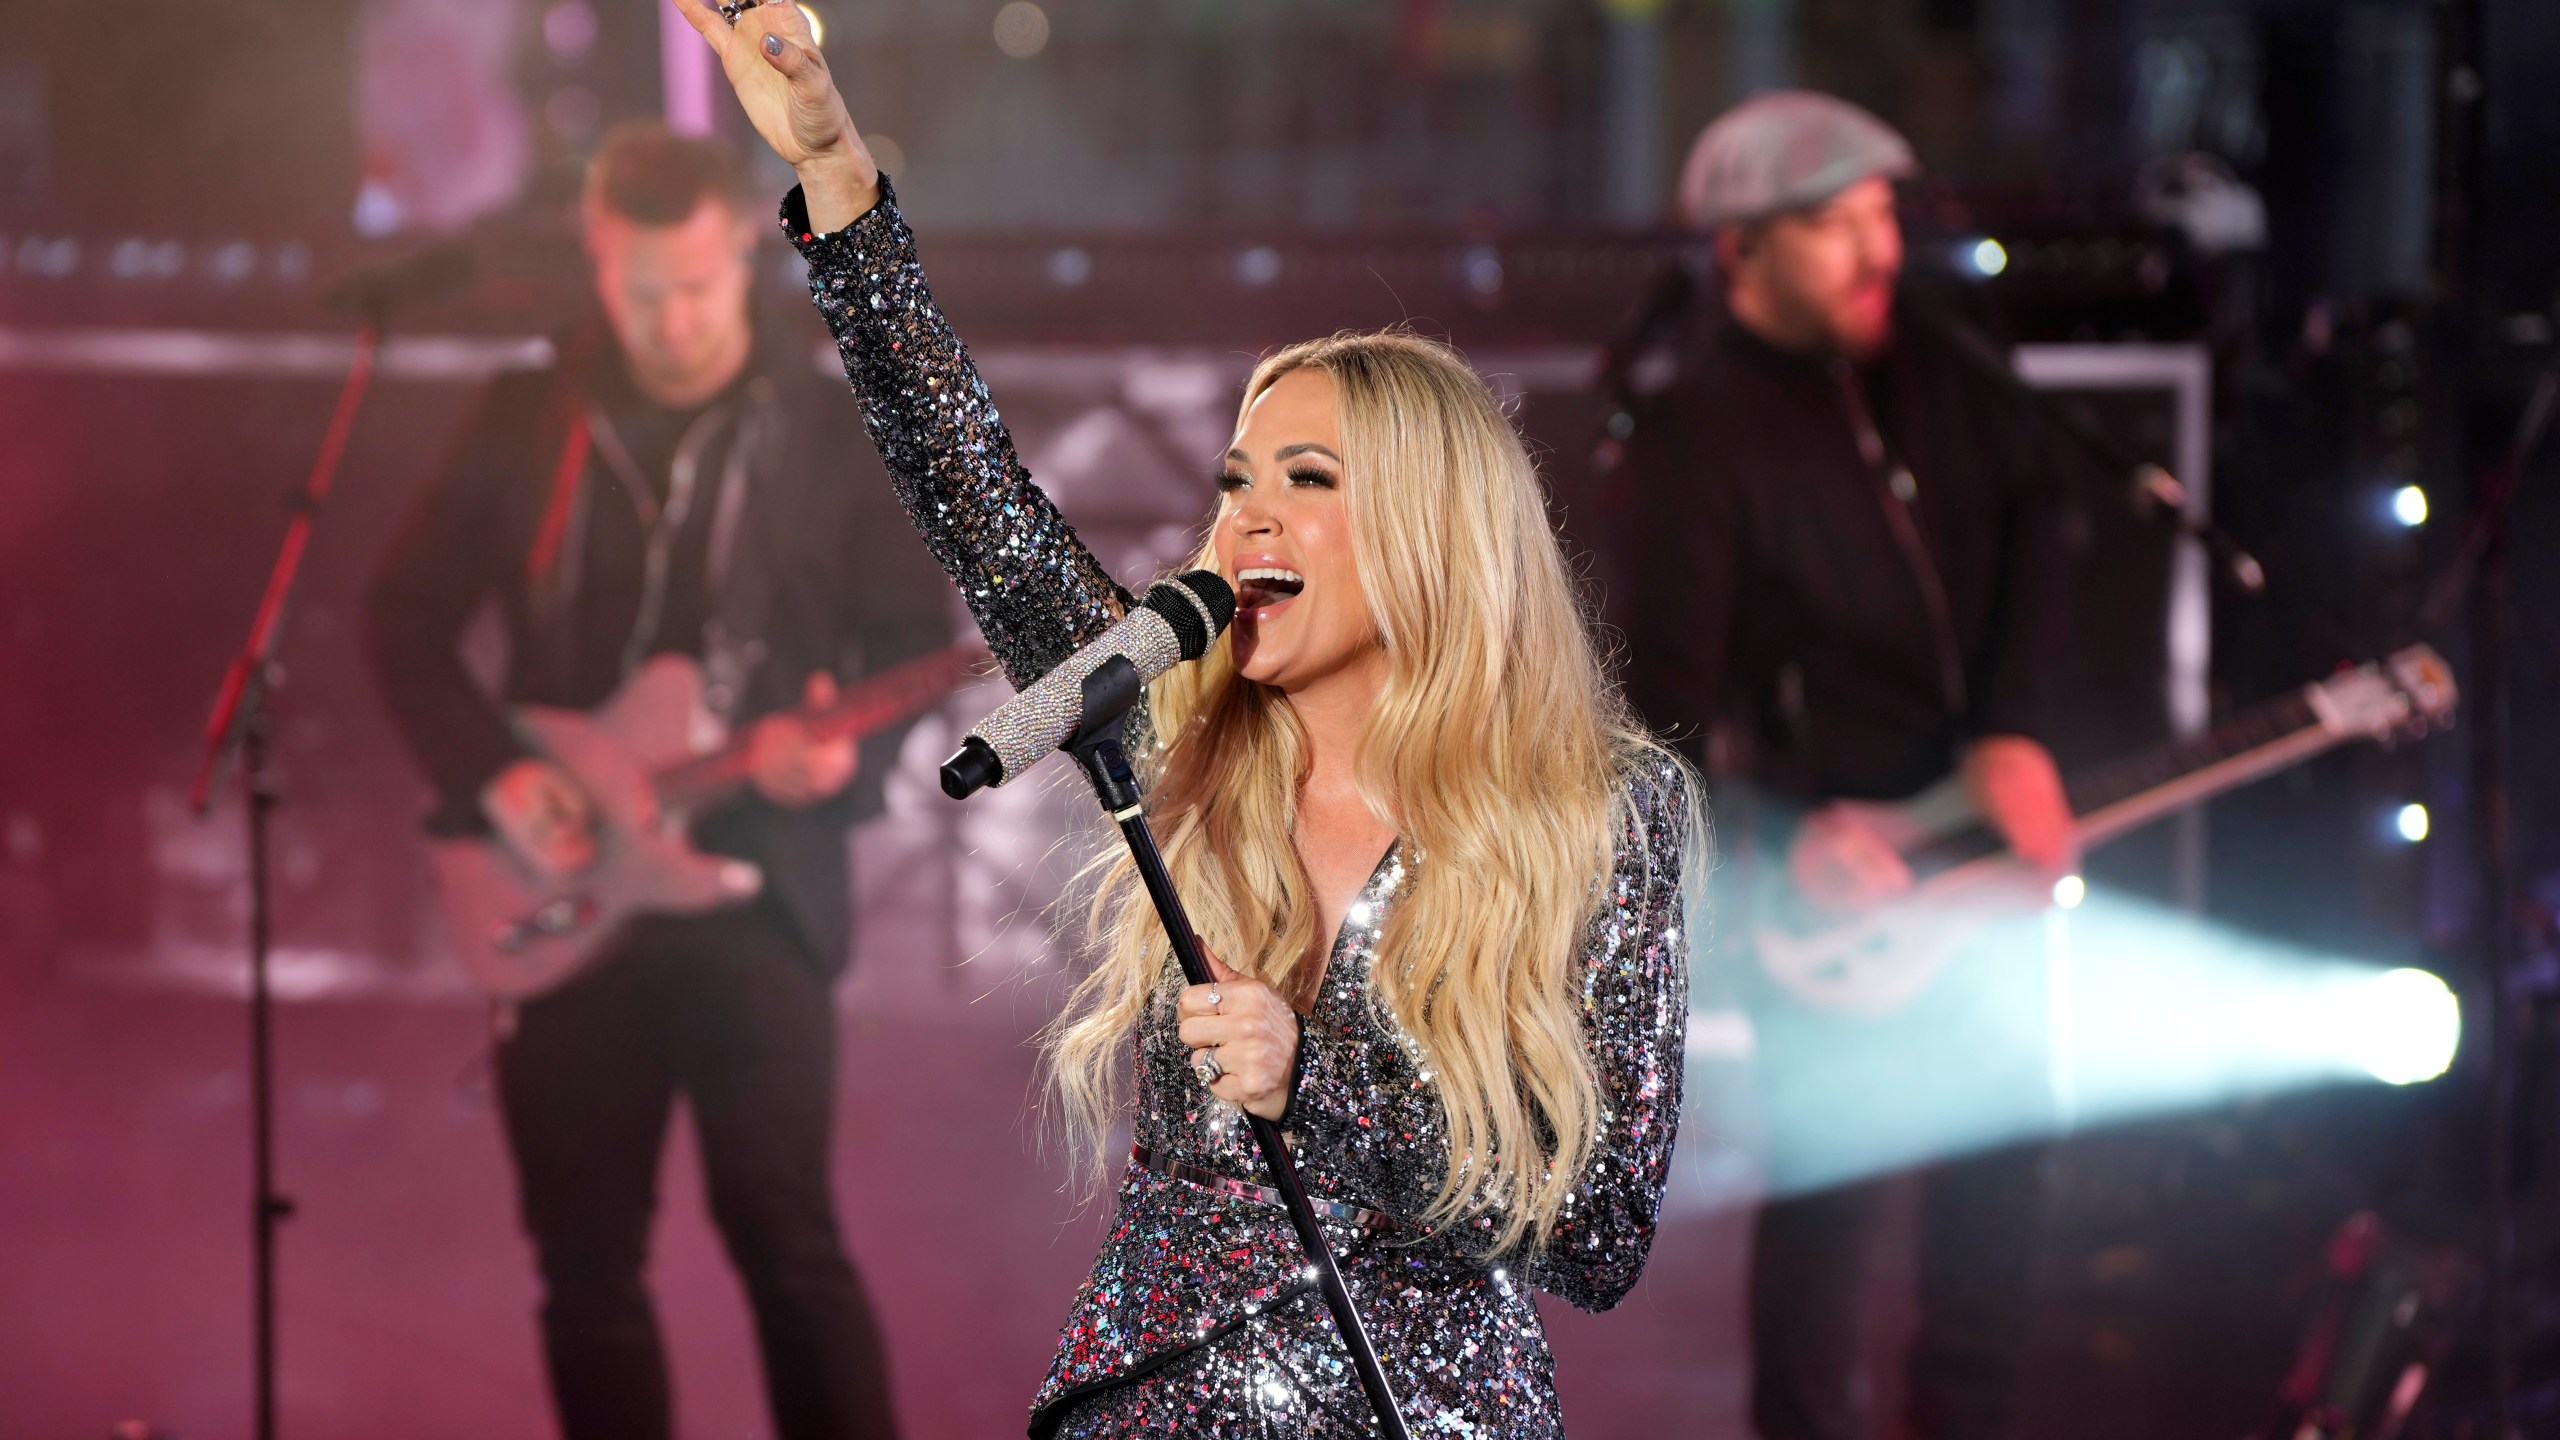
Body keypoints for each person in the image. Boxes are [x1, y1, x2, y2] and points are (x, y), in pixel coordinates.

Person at [668, 3, 1702, 1434]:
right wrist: (838, 175)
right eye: (1233, 476)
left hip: (1425, 1414)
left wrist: (1318, 1084)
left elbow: (1599, 1236)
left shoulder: (1597, 808)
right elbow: (976, 495)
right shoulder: (1183, 738)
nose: (1245, 511)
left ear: (1430, 529)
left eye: (1307, 479)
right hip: (1154, 1405)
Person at [366, 121, 951, 1440]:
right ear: (597, 255)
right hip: (567, 894)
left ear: (741, 250)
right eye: (642, 291)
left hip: (760, 892)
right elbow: (400, 617)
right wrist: (491, 778)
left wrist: (845, 766)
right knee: (585, 1273)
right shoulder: (529, 414)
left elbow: (911, 644)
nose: (674, 320)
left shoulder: (829, 424)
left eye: (696, 285)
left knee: (788, 1240)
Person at [1607, 93, 2076, 1440]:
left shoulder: (1949, 362)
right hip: (1828, 888)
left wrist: (2016, 726)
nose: (1877, 251)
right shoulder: (1696, 428)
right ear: (1739, 252)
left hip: (1979, 856)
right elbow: (1662, 716)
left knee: (2001, 1199)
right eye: (1832, 224)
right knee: (1833, 1220)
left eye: (1881, 216)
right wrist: (1785, 833)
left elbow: (2048, 515)